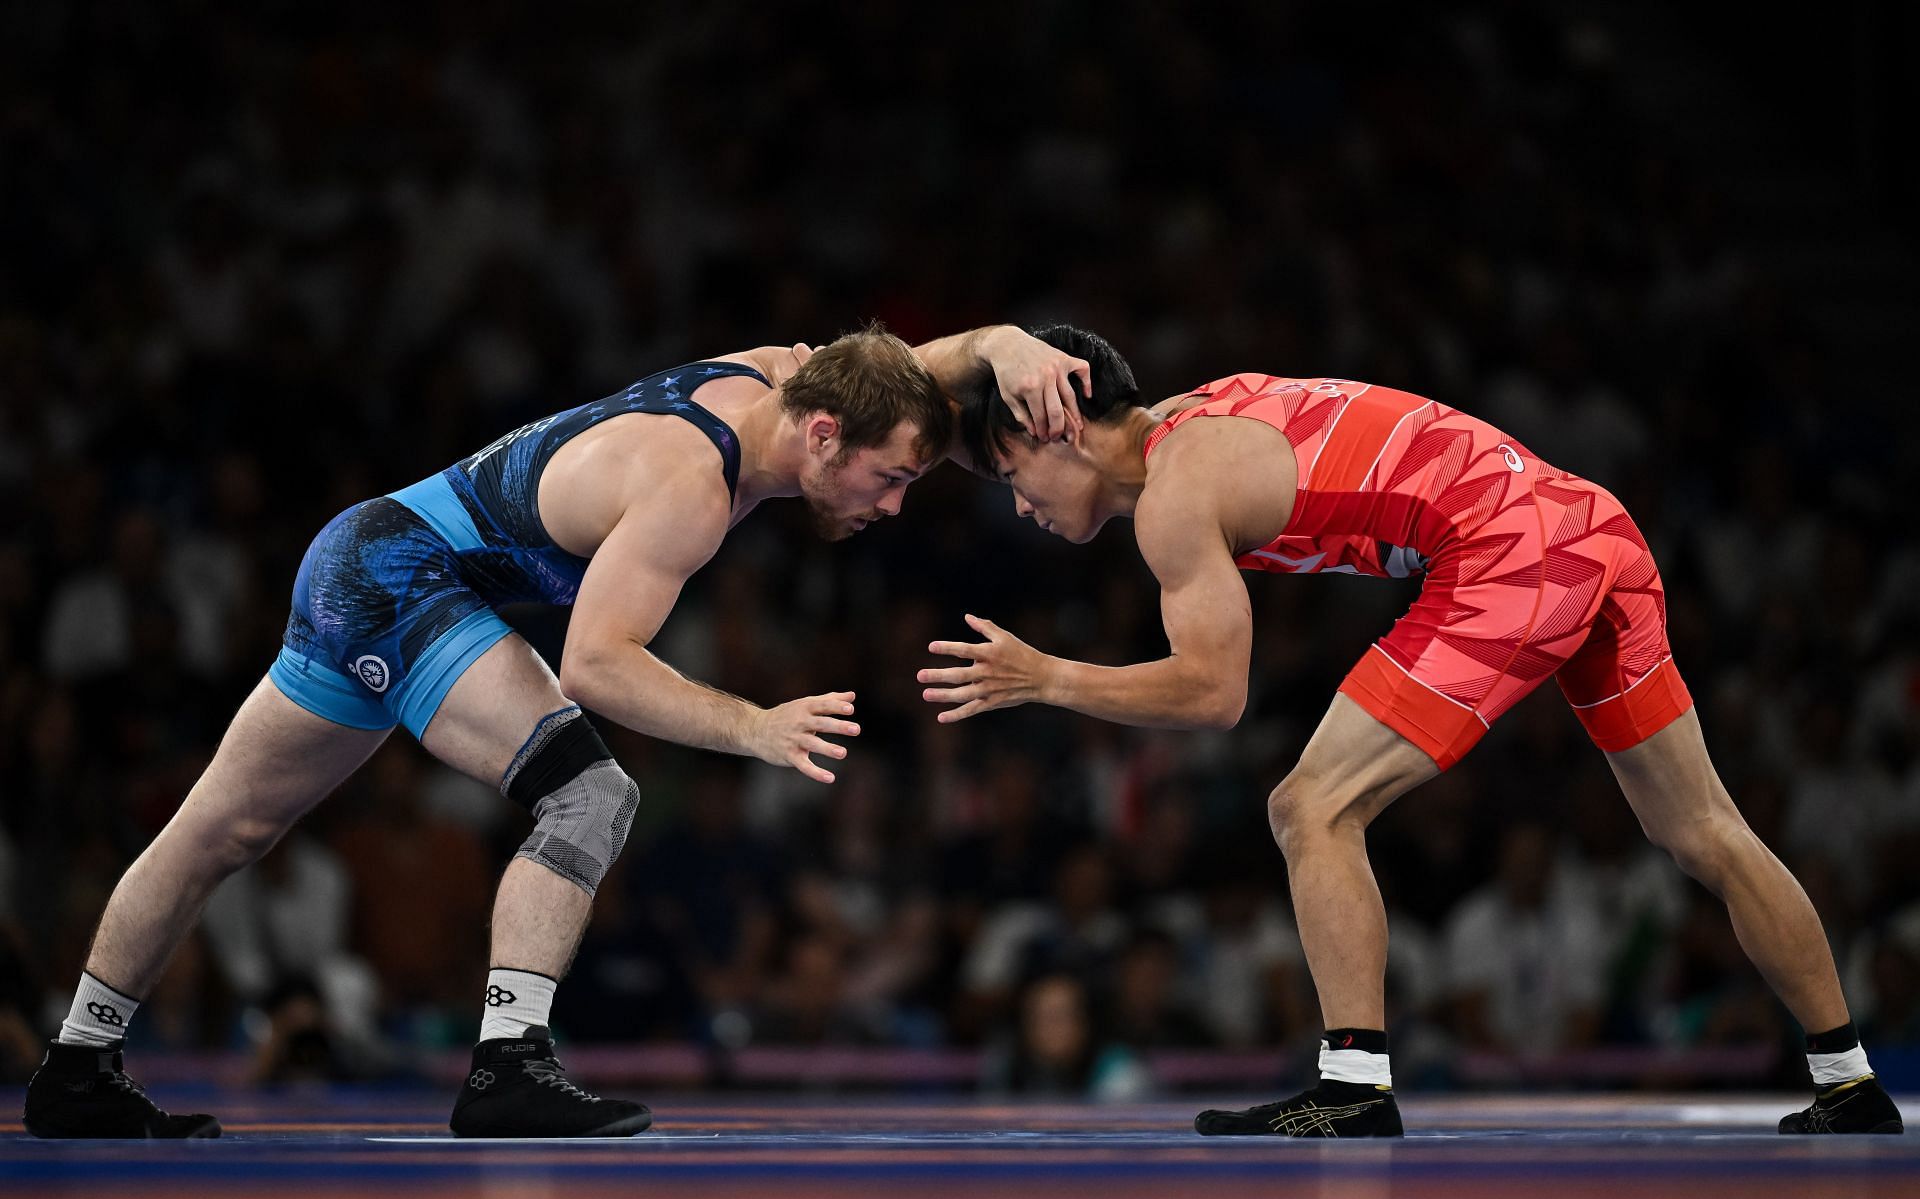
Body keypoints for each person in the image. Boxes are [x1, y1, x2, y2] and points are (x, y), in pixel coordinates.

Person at [22, 322, 1087, 1139]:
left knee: (219, 828)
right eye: (891, 478)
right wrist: (753, 726)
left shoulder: (792, 374)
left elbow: (908, 367)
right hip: (404, 577)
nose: (894, 505)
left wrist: (1006, 343)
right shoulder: (690, 486)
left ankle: (74, 1069)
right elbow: (596, 663)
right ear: (823, 436)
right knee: (589, 791)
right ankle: (507, 1067)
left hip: (368, 552)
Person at [921, 323, 1903, 1138]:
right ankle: (1851, 1080)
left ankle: (1352, 1086)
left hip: (1510, 550)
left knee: (1310, 805)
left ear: (1061, 425)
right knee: (1701, 830)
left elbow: (1213, 695)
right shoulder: (1200, 413)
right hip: (1587, 522)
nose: (1019, 504)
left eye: (1010, 470)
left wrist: (1047, 676)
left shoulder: (1177, 492)